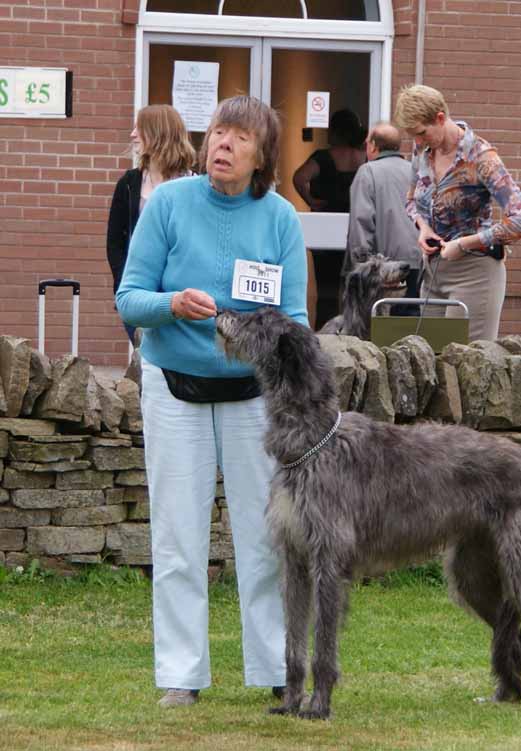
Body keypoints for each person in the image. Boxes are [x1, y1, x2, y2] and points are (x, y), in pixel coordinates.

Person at [116, 96, 308, 708]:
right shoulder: (168, 204)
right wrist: (171, 304)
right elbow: (129, 297)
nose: (223, 145)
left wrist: (272, 335)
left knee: (264, 536)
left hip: (254, 395)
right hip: (174, 384)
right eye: (218, 132)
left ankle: (277, 667)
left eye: (239, 138)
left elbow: (297, 319)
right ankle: (181, 674)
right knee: (178, 535)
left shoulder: (280, 219)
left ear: (262, 157)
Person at [394, 84, 521, 341]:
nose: (417, 141)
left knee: (467, 365)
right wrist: (423, 228)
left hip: (475, 274)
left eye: (421, 133)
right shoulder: (422, 152)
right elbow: (410, 201)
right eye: (412, 135)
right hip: (433, 273)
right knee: (429, 361)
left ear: (440, 117)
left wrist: (464, 243)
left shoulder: (482, 158)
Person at [106, 104, 196, 343]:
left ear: (158, 133)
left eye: (139, 128)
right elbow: (114, 242)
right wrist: (123, 286)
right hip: (140, 294)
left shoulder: (196, 185)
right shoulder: (129, 183)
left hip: (183, 295)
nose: (132, 134)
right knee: (144, 362)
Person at [292, 108, 366, 328]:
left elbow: (299, 177)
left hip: (325, 229)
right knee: (355, 287)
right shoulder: (363, 157)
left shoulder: (323, 157)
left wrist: (311, 200)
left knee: (327, 289)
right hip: (356, 227)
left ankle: (324, 331)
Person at [342, 121, 421, 315]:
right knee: (409, 324)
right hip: (417, 263)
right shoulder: (414, 171)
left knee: (378, 328)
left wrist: (360, 268)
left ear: (373, 146)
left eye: (367, 142)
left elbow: (361, 224)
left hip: (384, 270)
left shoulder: (367, 172)